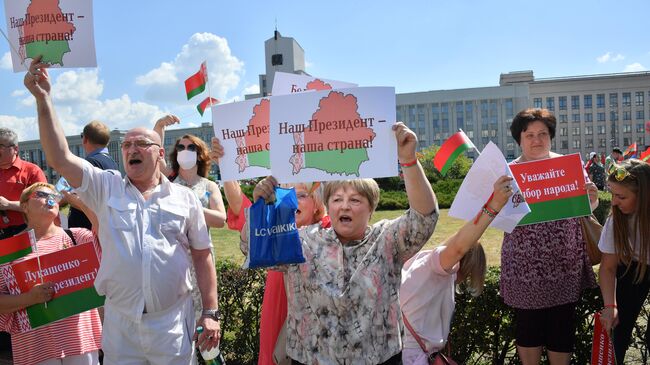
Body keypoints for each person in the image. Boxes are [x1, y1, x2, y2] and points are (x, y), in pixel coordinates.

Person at [24, 56, 220, 364]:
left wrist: (210, 312)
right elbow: (60, 158)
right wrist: (44, 99)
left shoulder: (185, 199)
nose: (131, 149)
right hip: (121, 325)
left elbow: (202, 255)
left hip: (170, 325)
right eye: (127, 145)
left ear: (159, 155)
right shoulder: (106, 187)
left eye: (141, 143)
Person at [245, 122, 438, 364]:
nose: (345, 206)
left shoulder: (387, 239)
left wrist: (409, 161)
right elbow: (252, 248)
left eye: (355, 200)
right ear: (328, 205)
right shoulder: (303, 241)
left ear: (371, 209)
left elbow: (424, 219)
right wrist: (260, 207)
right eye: (337, 199)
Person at [209, 137, 328, 365]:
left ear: (318, 205)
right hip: (278, 305)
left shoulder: (329, 232)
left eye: (302, 195)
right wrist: (226, 165)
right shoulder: (273, 229)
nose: (292, 201)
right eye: (287, 193)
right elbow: (245, 227)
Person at [500, 108, 599, 365]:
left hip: (563, 261)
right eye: (530, 134)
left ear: (551, 136)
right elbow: (496, 216)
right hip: (524, 266)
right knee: (528, 327)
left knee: (562, 326)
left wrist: (593, 199)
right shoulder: (508, 174)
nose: (537, 140)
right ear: (519, 139)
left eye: (543, 133)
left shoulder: (570, 166)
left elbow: (586, 207)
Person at [400, 175, 513, 365]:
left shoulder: (422, 261)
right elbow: (460, 247)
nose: (462, 281)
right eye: (469, 276)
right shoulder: (438, 265)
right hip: (411, 357)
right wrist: (493, 205)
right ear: (464, 266)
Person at [0, 182, 102, 365]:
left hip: (79, 342)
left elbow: (109, 236)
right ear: (24, 206)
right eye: (41, 195)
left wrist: (80, 204)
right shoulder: (9, 250)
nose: (50, 199)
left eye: (54, 196)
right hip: (35, 348)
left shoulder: (77, 237)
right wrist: (30, 298)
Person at [598, 159, 650, 364]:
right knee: (618, 329)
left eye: (621, 196)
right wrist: (611, 306)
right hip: (632, 266)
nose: (613, 202)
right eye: (612, 194)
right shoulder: (615, 220)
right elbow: (608, 267)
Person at [67, 120, 119, 230]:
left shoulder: (88, 164)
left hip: (85, 228)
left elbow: (71, 193)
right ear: (108, 142)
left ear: (85, 139)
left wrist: (66, 197)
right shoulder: (112, 162)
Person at [0, 127, 47, 239]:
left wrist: (9, 205)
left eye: (0, 146)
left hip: (25, 231)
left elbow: (44, 203)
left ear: (15, 149)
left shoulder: (32, 171)